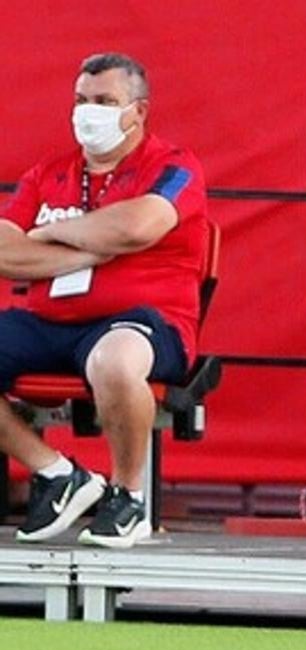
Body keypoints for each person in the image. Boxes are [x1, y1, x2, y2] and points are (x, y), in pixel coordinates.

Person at [0, 53, 208, 549]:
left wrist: (49, 233)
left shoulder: (174, 166)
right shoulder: (46, 173)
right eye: (81, 101)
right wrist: (93, 251)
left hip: (144, 320)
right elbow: (5, 250)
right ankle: (54, 473)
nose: (88, 112)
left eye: (104, 102)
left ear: (138, 111)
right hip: (49, 319)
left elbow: (139, 226)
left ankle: (127, 496)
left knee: (114, 360)